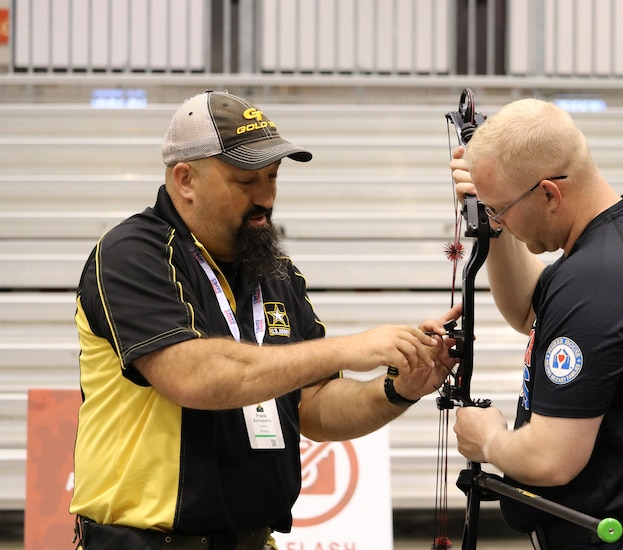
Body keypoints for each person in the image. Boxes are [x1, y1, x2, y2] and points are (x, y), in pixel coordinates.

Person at [70, 90, 457, 549]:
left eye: (272, 177)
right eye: (246, 181)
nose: (266, 197)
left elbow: (312, 407)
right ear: (185, 178)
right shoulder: (132, 255)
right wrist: (350, 347)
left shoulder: (273, 270)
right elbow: (192, 375)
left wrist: (399, 388)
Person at [449, 98, 623, 549]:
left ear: (549, 194)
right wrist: (492, 219)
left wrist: (489, 440)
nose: (496, 221)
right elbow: (525, 309)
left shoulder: (598, 281)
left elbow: (551, 458)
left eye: (500, 210)